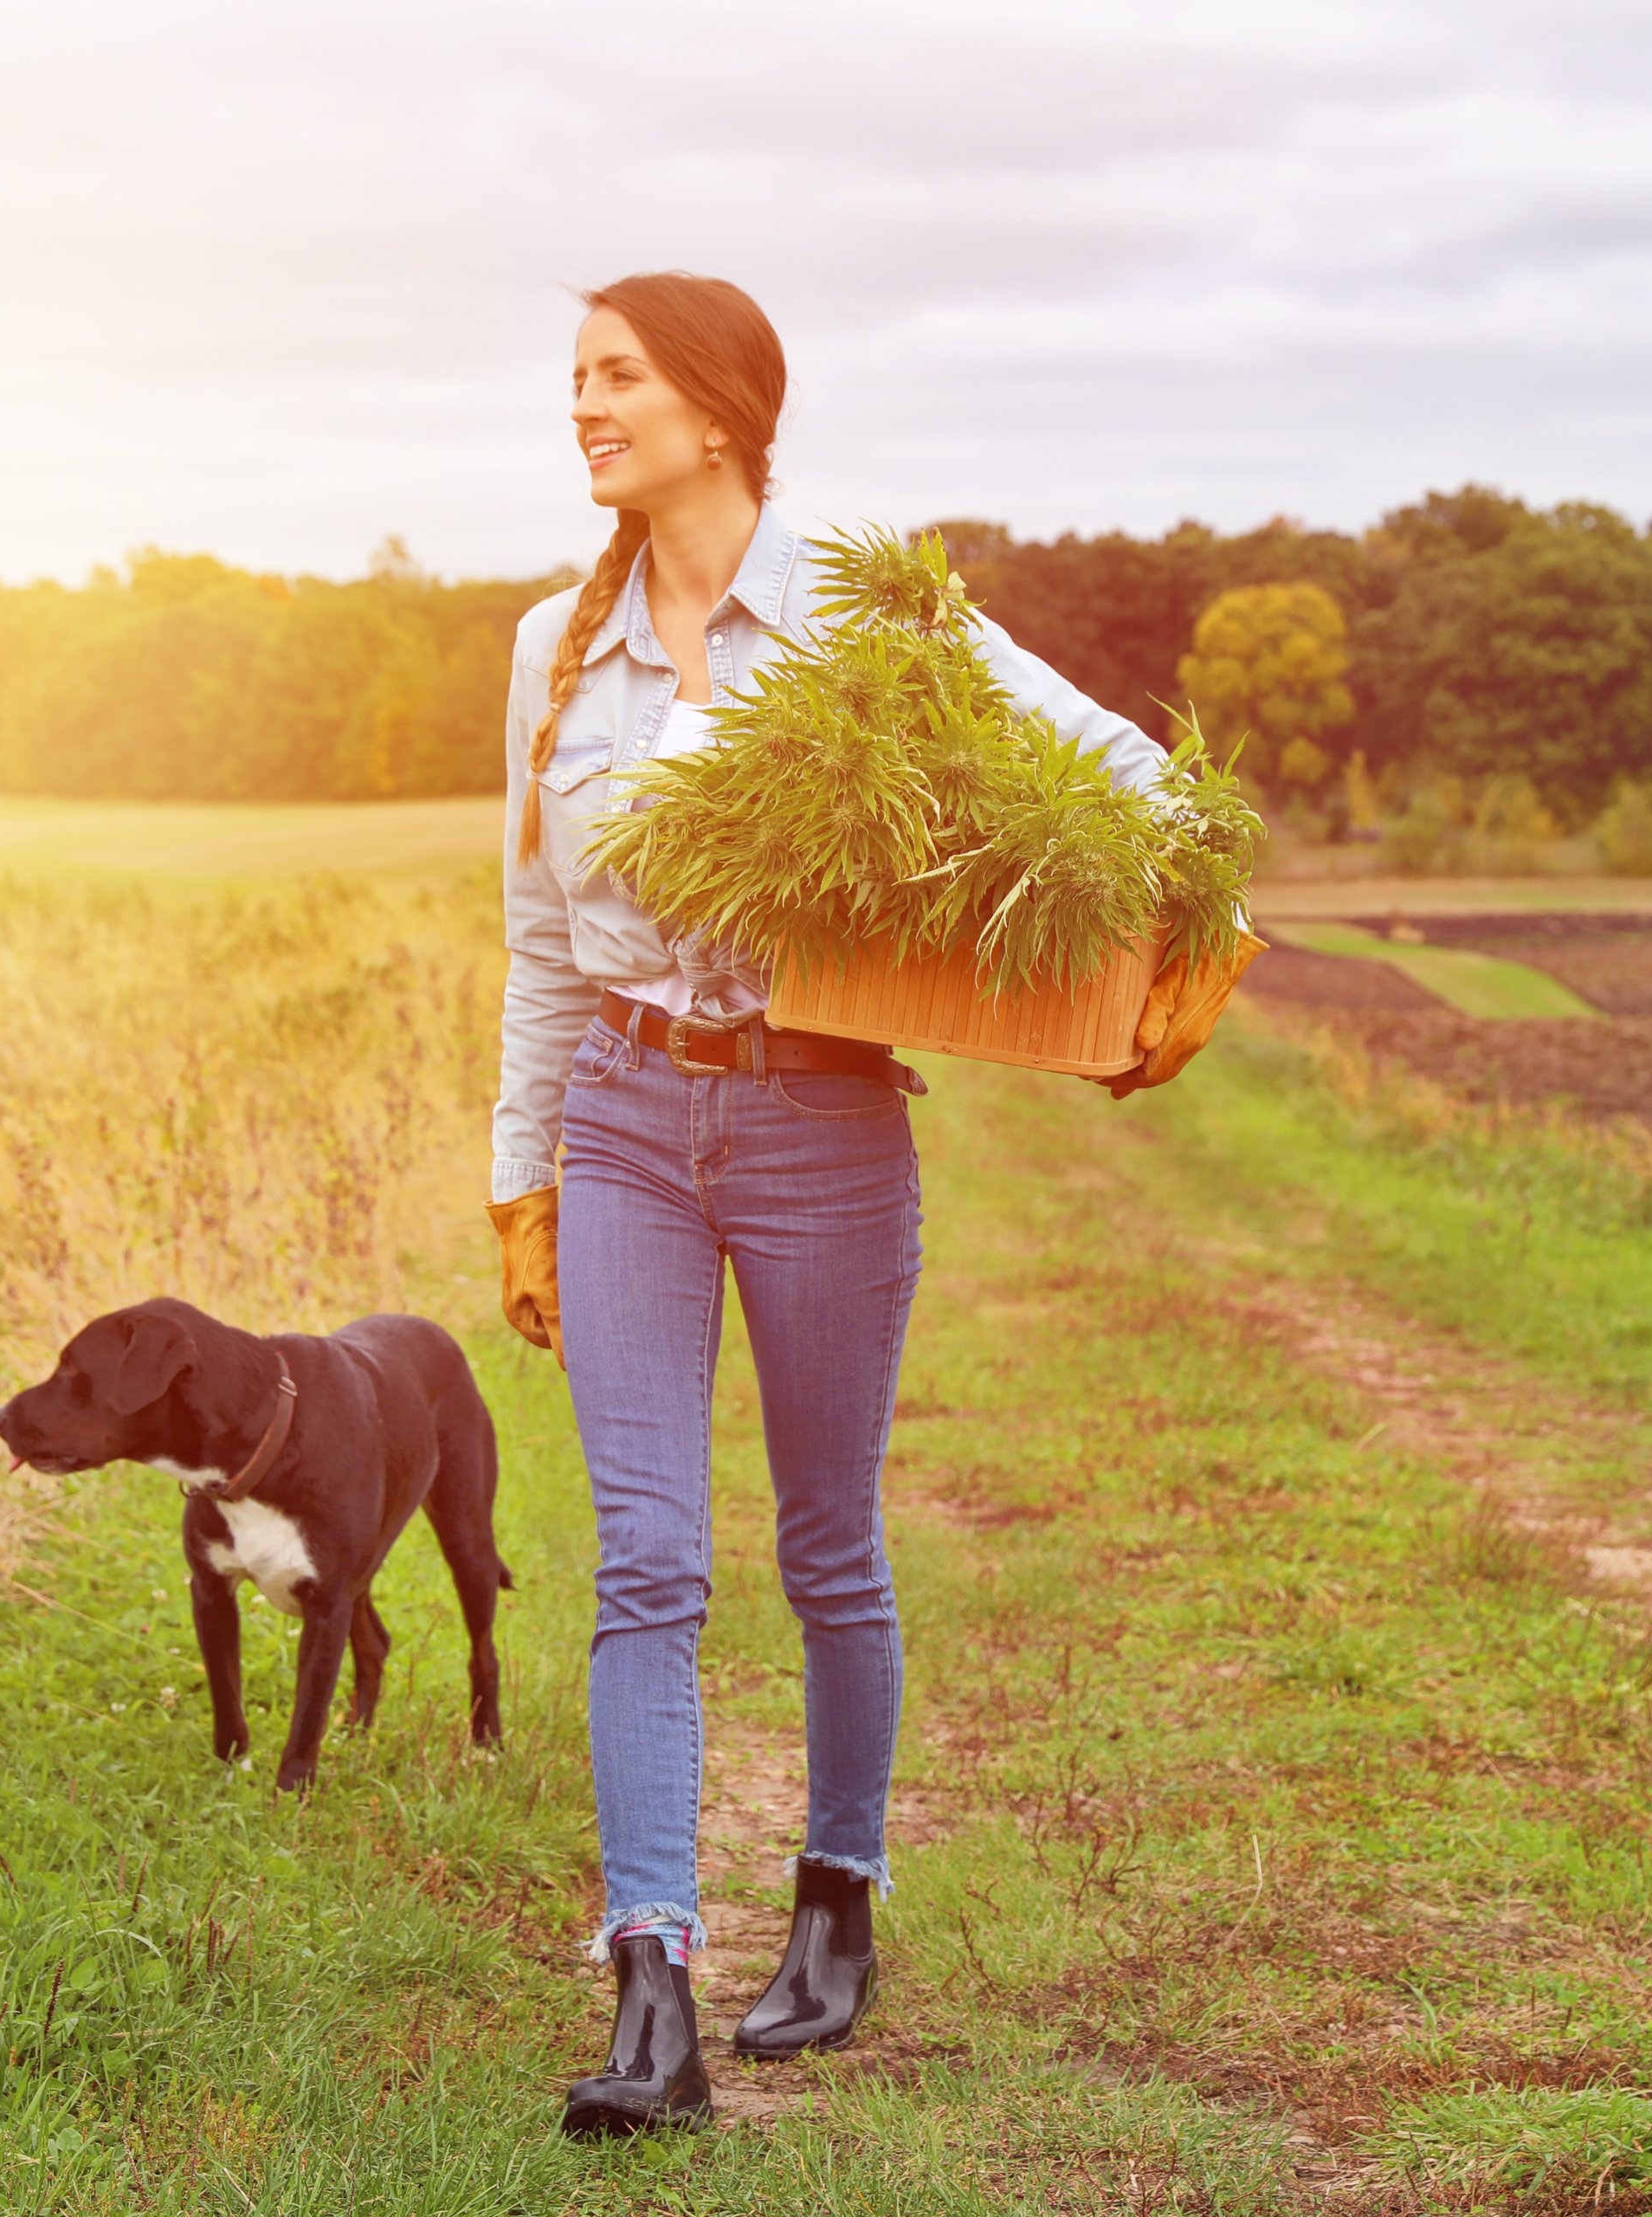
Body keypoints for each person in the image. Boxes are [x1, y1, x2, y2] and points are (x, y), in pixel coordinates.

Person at [483, 270, 1257, 2140]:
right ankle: (648, 1979)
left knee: (829, 1541)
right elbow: (537, 939)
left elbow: (1125, 771)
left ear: (724, 413)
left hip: (826, 1126)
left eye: (618, 379)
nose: (582, 410)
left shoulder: (852, 605)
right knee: (647, 1555)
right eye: (573, 380)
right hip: (629, 1126)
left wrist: (1194, 940)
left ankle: (838, 1897)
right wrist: (523, 1174)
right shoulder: (550, 648)